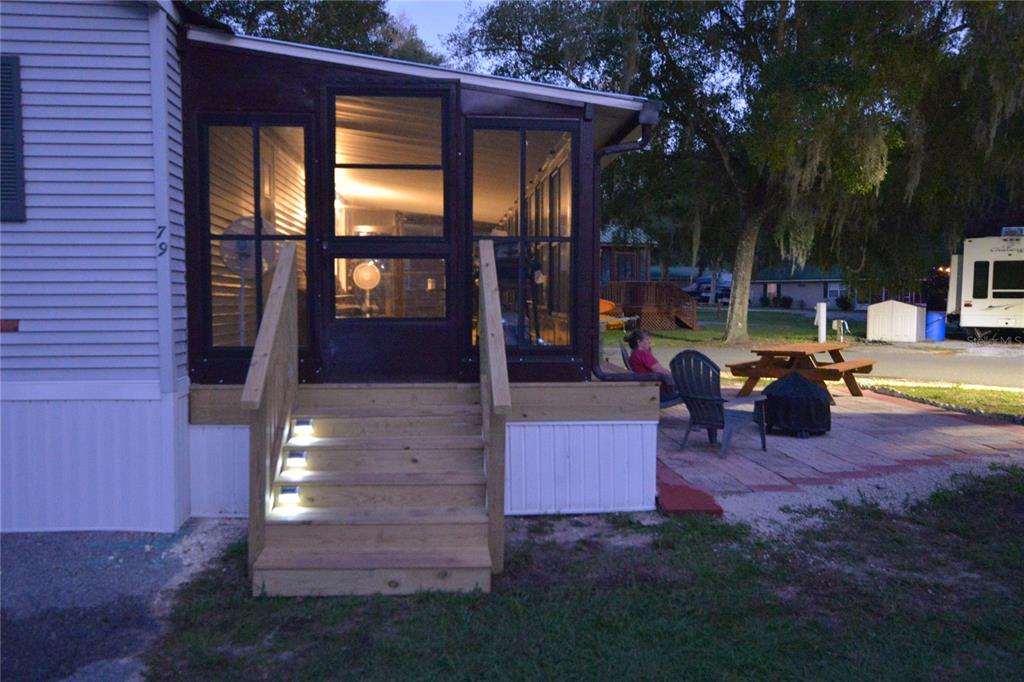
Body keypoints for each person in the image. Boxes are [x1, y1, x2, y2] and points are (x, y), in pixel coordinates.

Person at [625, 330, 680, 400]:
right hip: (656, 393)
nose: (649, 342)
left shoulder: (634, 354)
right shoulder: (643, 354)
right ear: (639, 342)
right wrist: (679, 379)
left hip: (646, 390)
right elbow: (661, 371)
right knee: (689, 390)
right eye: (647, 339)